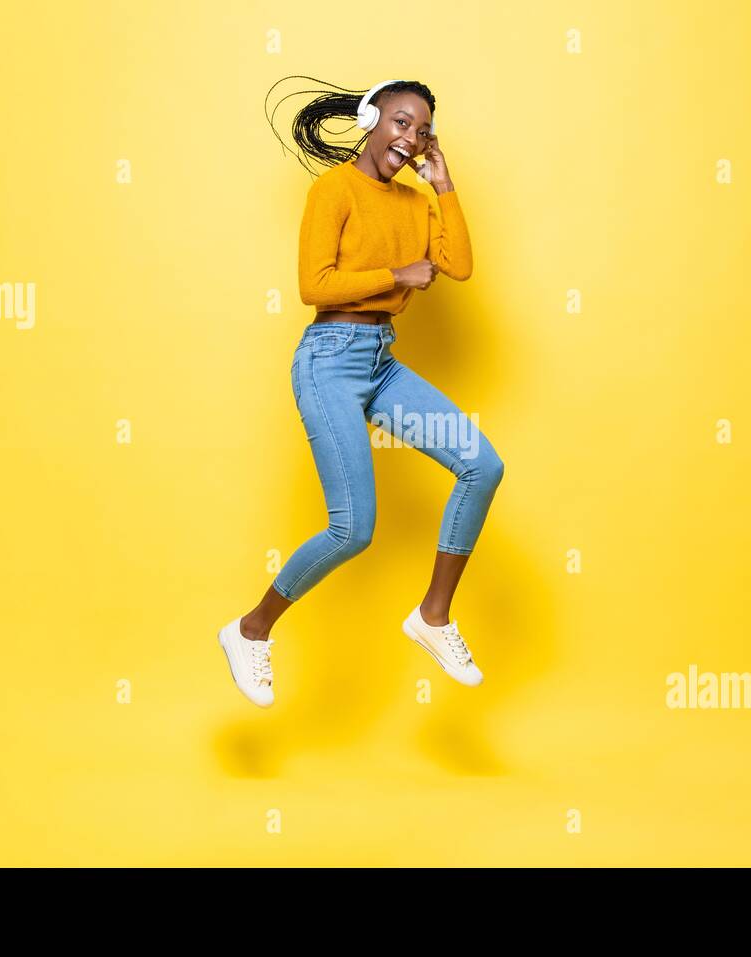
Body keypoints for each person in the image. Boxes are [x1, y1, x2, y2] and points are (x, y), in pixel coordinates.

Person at [218, 78, 504, 707]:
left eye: (422, 130)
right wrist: (396, 274)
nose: (410, 138)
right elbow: (313, 283)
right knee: (353, 530)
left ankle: (432, 616)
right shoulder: (334, 189)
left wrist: (443, 181)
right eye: (401, 123)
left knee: (483, 465)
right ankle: (250, 631)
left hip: (381, 362)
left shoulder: (414, 201)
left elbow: (457, 264)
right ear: (371, 120)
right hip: (328, 362)